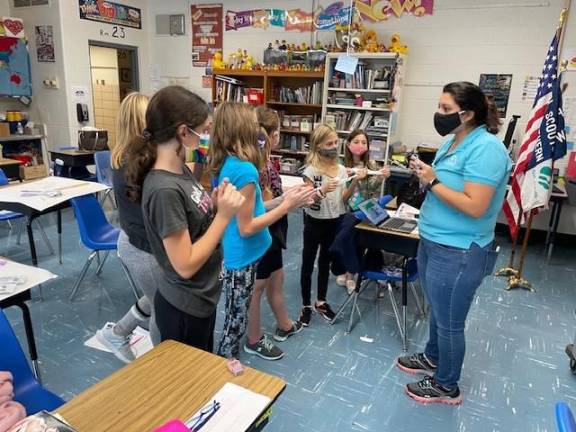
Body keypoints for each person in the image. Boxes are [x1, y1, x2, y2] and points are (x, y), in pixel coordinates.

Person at [396, 81, 512, 405]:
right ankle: (433, 357)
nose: (439, 114)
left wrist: (431, 181)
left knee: (449, 321)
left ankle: (447, 385)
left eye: (446, 109)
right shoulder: (453, 142)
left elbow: (475, 206)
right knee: (438, 309)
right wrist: (426, 173)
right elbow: (445, 183)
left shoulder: (487, 148)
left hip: (459, 250)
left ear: (468, 113)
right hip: (434, 240)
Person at [124, 85, 245, 352]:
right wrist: (223, 216)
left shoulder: (179, 170)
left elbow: (193, 223)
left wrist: (212, 205)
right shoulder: (164, 189)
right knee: (188, 388)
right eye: (203, 130)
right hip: (184, 307)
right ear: (183, 132)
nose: (206, 137)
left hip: (200, 300)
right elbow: (185, 264)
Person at [209, 102, 314, 360]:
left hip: (240, 253)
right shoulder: (244, 169)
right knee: (236, 318)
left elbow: (251, 209)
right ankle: (225, 362)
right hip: (242, 254)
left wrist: (284, 200)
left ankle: (228, 357)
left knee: (238, 311)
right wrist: (287, 206)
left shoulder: (233, 163)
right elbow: (246, 227)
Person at [96, 92, 164, 363]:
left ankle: (118, 332)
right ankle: (163, 364)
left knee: (156, 294)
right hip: (142, 248)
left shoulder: (125, 156)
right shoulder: (133, 163)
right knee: (163, 306)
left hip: (137, 241)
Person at [244, 107, 305, 361]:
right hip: (264, 231)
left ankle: (285, 324)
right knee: (257, 288)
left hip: (274, 230)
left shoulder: (265, 160)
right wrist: (290, 201)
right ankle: (253, 339)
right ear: (270, 135)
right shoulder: (256, 164)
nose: (279, 136)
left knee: (277, 278)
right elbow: (264, 204)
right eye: (277, 132)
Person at [299, 124, 349, 326]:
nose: (334, 146)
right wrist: (322, 190)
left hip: (333, 221)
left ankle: (321, 301)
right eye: (329, 143)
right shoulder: (311, 171)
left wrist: (354, 183)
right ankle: (305, 305)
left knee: (325, 262)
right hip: (314, 222)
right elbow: (308, 199)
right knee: (307, 262)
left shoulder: (342, 169)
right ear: (318, 146)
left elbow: (344, 198)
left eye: (336, 142)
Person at [337, 129, 391, 294]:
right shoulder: (340, 166)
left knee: (365, 238)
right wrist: (354, 180)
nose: (360, 146)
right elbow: (342, 197)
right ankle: (347, 272)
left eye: (364, 142)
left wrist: (381, 177)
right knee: (348, 238)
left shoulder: (371, 164)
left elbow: (372, 187)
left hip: (366, 209)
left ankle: (358, 272)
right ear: (348, 144)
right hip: (347, 210)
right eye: (356, 142)